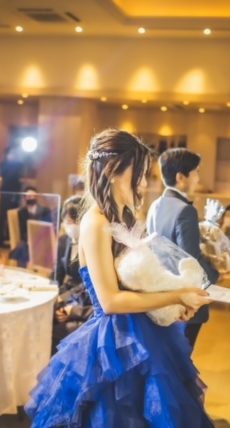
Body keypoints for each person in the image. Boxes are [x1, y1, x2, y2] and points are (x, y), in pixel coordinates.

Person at [25, 129, 214, 427]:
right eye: (139, 174)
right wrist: (177, 296)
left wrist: (175, 306)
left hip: (145, 334)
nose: (144, 183)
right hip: (112, 345)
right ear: (113, 172)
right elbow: (110, 301)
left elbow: (143, 284)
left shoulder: (124, 219)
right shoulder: (96, 222)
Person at [147, 148, 219, 349]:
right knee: (181, 359)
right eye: (196, 172)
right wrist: (216, 273)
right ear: (180, 177)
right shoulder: (186, 210)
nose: (198, 178)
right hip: (183, 301)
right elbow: (190, 261)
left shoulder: (155, 205)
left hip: (160, 295)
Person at [52, 196, 93, 353]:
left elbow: (88, 285)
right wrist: (56, 295)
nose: (71, 226)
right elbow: (58, 274)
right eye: (68, 222)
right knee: (50, 312)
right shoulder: (65, 241)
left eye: (75, 221)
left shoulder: (91, 245)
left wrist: (71, 308)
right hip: (73, 294)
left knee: (56, 328)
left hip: (86, 301)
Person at [9, 186, 52, 267]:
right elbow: (22, 230)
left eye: (33, 196)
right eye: (29, 196)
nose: (31, 198)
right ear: (24, 198)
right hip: (27, 240)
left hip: (42, 240)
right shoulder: (21, 212)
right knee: (23, 247)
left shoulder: (45, 211)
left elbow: (48, 229)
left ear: (37, 197)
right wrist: (29, 239)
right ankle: (24, 268)